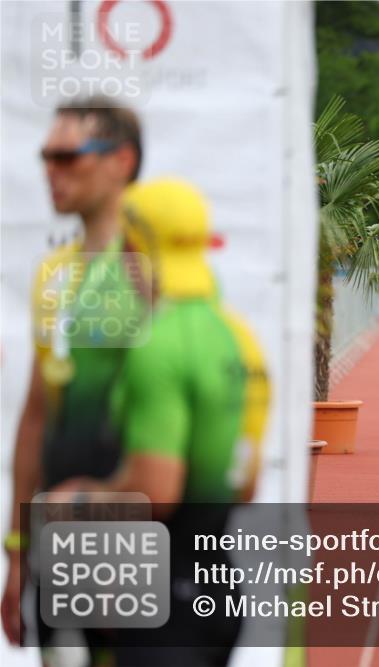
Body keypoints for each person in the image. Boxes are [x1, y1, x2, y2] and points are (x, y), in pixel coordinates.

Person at [48, 178, 270, 665]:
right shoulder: (237, 334)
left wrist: (76, 500)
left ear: (131, 248)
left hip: (164, 602)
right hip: (218, 586)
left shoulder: (157, 343)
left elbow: (156, 491)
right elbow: (246, 482)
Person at [3, 97, 145, 654]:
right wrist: (18, 550)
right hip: (60, 539)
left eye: (66, 156)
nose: (50, 171)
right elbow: (40, 414)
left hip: (139, 537)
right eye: (46, 157)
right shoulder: (54, 273)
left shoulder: (152, 269)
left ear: (121, 161)